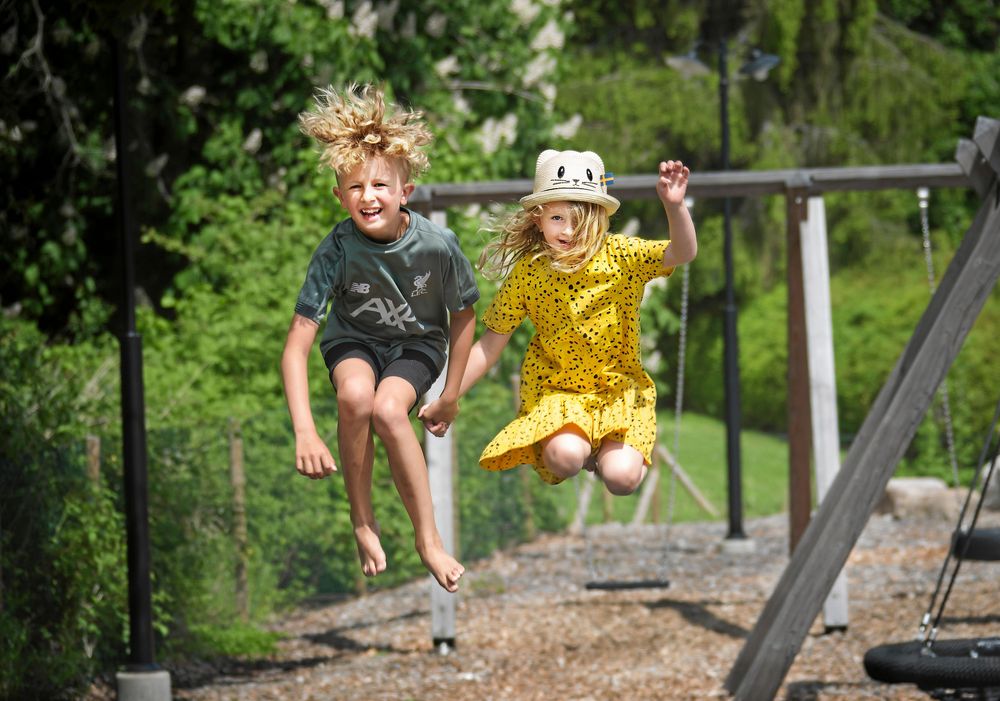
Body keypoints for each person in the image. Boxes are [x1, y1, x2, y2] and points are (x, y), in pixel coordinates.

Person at [281, 84, 479, 592]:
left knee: (390, 410)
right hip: (355, 341)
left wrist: (450, 394)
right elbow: (297, 346)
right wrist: (305, 431)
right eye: (355, 187)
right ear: (339, 196)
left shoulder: (437, 245)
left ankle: (428, 539)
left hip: (417, 344)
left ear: (405, 191)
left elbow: (463, 317)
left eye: (380, 185)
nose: (368, 197)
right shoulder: (336, 250)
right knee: (355, 396)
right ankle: (362, 519)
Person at [420, 149, 696, 495]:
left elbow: (682, 253)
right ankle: (581, 449)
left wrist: (674, 206)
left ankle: (604, 456)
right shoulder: (529, 273)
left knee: (622, 479)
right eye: (557, 218)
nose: (568, 230)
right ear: (538, 219)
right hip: (559, 392)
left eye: (580, 220)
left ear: (599, 218)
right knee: (565, 456)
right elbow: (489, 346)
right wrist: (448, 397)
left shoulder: (621, 255)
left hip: (620, 390)